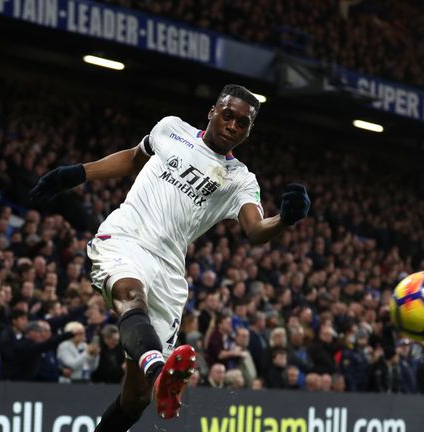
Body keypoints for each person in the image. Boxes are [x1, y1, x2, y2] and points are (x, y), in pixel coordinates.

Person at [30, 84, 310, 427]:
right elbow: (134, 158)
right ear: (212, 112)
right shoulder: (170, 129)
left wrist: (285, 219)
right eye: (228, 116)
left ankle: (153, 374)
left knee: (135, 400)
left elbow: (254, 230)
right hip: (125, 238)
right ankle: (159, 368)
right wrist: (76, 173)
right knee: (131, 297)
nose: (233, 126)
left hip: (169, 271)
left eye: (243, 123)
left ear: (249, 132)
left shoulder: (240, 179)